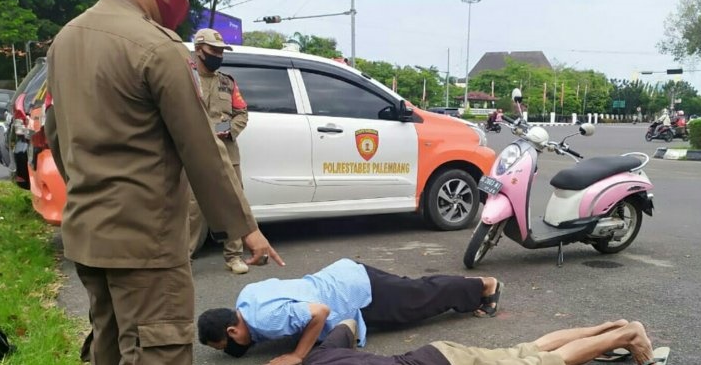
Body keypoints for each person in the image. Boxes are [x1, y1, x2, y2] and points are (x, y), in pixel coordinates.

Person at [43, 0, 284, 364]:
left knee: (109, 347)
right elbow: (201, 149)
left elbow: (57, 133)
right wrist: (246, 229)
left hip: (87, 235)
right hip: (146, 244)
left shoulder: (65, 39)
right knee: (160, 351)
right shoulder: (158, 46)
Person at [198, 258, 503, 365]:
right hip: (342, 276)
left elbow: (319, 311)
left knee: (420, 298)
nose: (229, 351)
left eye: (224, 346)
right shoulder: (245, 300)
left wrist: (297, 356)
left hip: (356, 291)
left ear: (232, 330)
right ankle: (476, 288)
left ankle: (485, 286)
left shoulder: (265, 320)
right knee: (417, 290)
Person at [303, 318, 669, 365]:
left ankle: (626, 335)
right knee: (531, 348)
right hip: (436, 353)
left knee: (541, 364)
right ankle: (612, 327)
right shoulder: (317, 357)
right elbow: (348, 322)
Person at [187, 28, 250, 274]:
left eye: (221, 52)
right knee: (192, 208)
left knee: (233, 203)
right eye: (213, 51)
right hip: (193, 153)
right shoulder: (185, 78)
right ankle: (185, 258)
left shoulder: (227, 82)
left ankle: (234, 256)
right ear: (199, 50)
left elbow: (241, 113)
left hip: (227, 152)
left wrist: (227, 129)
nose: (218, 55)